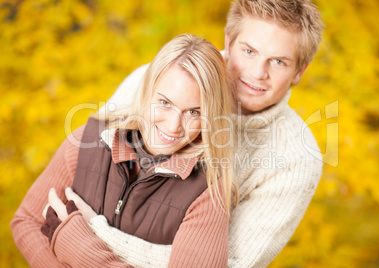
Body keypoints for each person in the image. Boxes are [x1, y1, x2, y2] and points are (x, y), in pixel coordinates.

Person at [92, 0, 325, 267]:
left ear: (300, 70)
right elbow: (75, 175)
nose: (258, 73)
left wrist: (91, 234)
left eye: (279, 62)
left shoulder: (297, 159)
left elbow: (226, 263)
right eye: (249, 51)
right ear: (228, 40)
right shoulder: (153, 80)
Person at [11, 34, 237, 267]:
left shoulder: (207, 191)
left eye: (194, 112)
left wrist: (79, 247)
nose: (173, 126)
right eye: (165, 103)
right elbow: (26, 221)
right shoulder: (87, 141)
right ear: (147, 90)